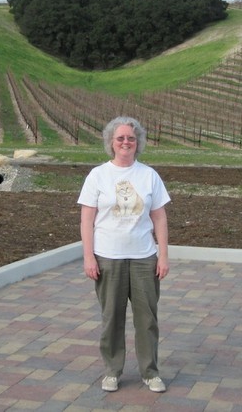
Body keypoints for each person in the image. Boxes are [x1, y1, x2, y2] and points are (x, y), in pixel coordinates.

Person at [77, 116, 170, 393]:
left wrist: (162, 255)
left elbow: (160, 218)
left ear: (137, 142)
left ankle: (150, 372)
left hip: (144, 258)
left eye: (131, 138)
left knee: (147, 319)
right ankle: (112, 371)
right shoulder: (98, 175)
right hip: (108, 258)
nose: (126, 142)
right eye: (120, 138)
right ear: (111, 143)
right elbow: (86, 220)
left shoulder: (149, 175)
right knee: (111, 318)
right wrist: (88, 257)